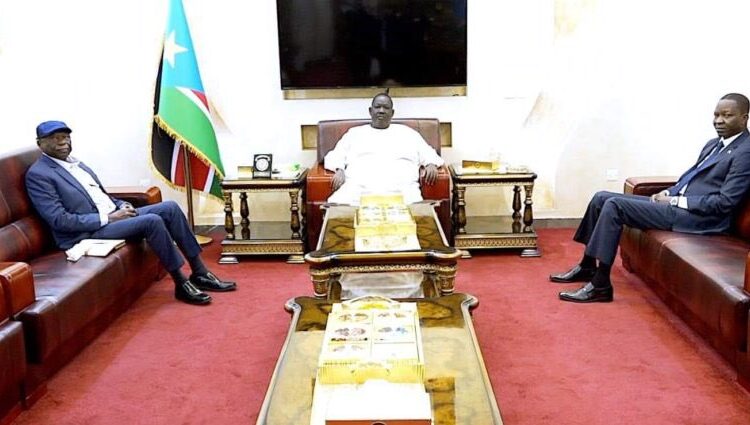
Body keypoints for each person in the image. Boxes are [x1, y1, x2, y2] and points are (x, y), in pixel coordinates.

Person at [551, 93, 750, 303]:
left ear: (744, 118)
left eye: (727, 115)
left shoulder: (745, 151)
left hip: (701, 218)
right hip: (679, 206)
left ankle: (601, 285)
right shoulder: (714, 144)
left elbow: (726, 202)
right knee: (600, 198)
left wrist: (675, 201)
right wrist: (670, 192)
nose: (719, 121)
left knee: (615, 205)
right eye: (716, 115)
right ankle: (587, 265)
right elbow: (691, 177)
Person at [25, 120, 236, 306]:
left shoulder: (76, 164)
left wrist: (121, 205)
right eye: (55, 138)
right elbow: (59, 220)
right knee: (152, 221)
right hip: (86, 233)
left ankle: (200, 272)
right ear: (40, 143)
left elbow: (100, 196)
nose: (63, 142)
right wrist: (109, 218)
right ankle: (181, 282)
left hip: (112, 218)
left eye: (66, 137)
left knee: (170, 208)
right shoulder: (39, 174)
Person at [324, 92, 444, 205]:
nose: (381, 111)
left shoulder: (408, 133)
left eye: (386, 108)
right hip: (358, 190)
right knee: (340, 212)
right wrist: (339, 170)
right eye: (377, 107)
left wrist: (430, 164)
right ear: (370, 111)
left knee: (414, 216)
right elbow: (336, 155)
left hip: (402, 191)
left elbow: (428, 153)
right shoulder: (354, 133)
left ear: (392, 113)